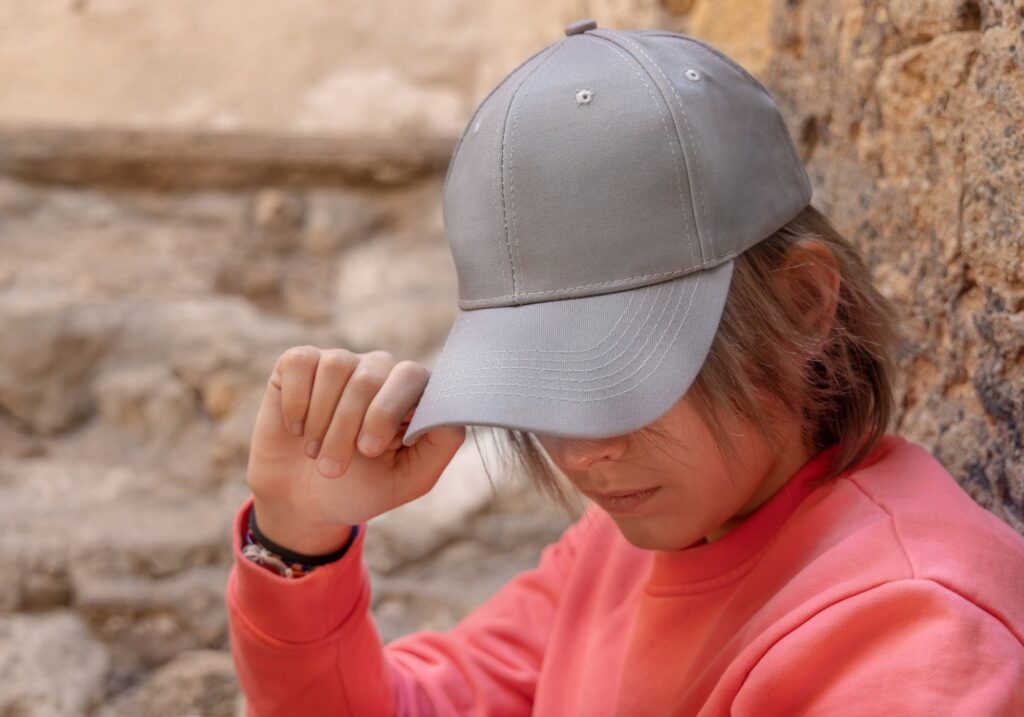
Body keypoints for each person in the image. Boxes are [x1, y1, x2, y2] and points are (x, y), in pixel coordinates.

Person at [224, 19, 1024, 716]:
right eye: (543, 383)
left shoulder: (909, 633)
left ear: (806, 303)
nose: (578, 453)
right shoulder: (622, 548)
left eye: (617, 375)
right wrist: (297, 539)